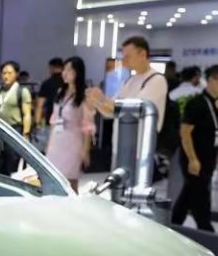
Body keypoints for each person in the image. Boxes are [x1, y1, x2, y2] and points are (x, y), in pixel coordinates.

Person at [87, 36, 168, 167]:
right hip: (120, 144)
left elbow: (133, 109)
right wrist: (96, 102)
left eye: (128, 57)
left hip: (139, 148)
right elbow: (112, 111)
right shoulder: (130, 80)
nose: (125, 61)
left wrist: (102, 99)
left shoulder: (156, 80)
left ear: (142, 54)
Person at [171, 65, 218, 233]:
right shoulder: (196, 103)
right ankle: (206, 231)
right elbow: (185, 132)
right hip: (194, 157)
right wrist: (192, 159)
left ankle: (174, 224)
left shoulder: (214, 104)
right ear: (211, 80)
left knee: (189, 193)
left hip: (208, 156)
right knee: (200, 195)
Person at [45, 57, 95, 192]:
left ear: (78, 72)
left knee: (71, 181)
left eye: (69, 70)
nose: (65, 73)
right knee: (53, 178)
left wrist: (85, 150)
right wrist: (49, 143)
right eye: (64, 70)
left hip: (73, 142)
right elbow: (54, 118)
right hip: (56, 141)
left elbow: (88, 125)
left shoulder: (84, 95)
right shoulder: (60, 92)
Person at [0, 61, 33, 175]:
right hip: (0, 130)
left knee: (12, 162)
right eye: (4, 73)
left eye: (9, 73)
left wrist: (26, 134)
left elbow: (27, 114)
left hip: (15, 130)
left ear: (16, 74)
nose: (6, 76)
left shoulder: (22, 91)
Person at [35, 58, 64, 127]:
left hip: (51, 117)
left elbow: (40, 105)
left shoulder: (47, 83)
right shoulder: (70, 82)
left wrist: (37, 123)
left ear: (51, 67)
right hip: (69, 119)